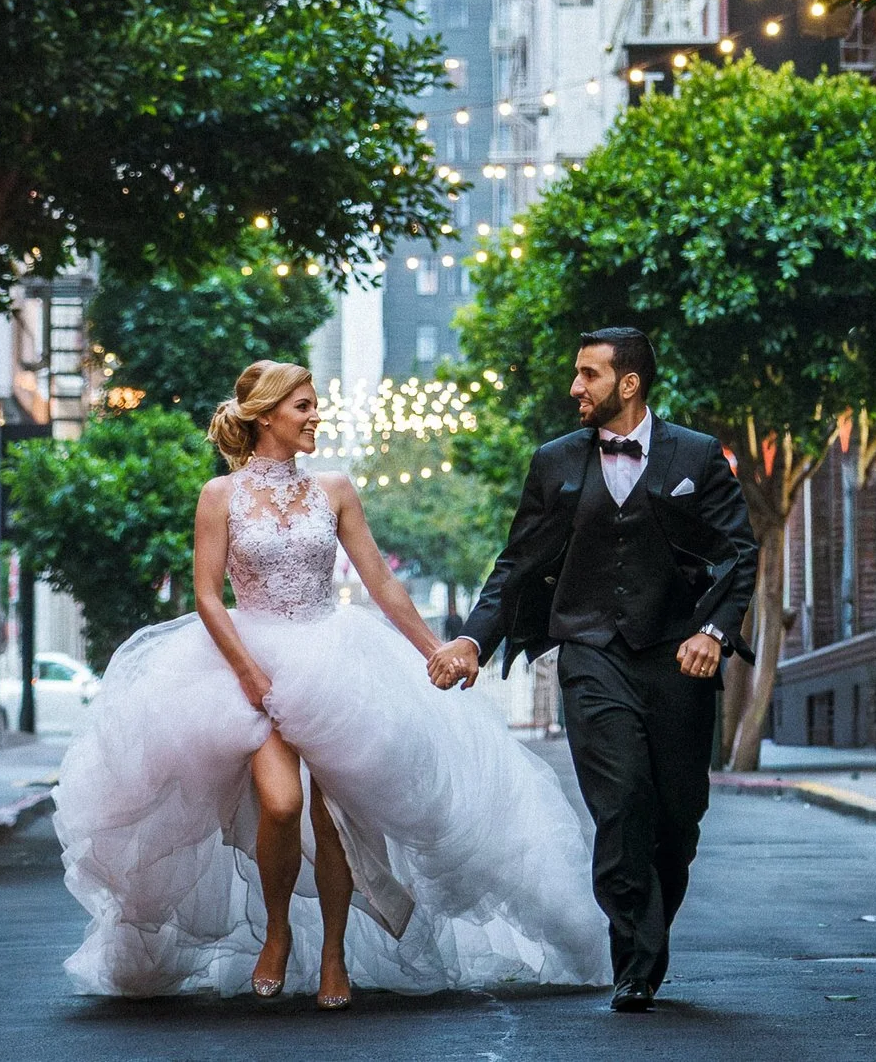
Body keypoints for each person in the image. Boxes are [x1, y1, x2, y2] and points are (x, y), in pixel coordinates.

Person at [52, 359, 608, 1005]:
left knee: (337, 813)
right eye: (304, 406)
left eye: (316, 405)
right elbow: (207, 595)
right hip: (245, 656)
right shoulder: (220, 495)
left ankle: (336, 954)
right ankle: (279, 931)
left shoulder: (335, 487)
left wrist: (438, 649)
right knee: (282, 802)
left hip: (333, 655)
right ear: (266, 415)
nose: (317, 415)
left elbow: (381, 581)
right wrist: (249, 672)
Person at [427, 327, 758, 1012]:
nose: (575, 387)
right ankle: (634, 960)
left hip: (677, 658)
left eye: (588, 374)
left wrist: (713, 630)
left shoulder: (696, 455)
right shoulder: (555, 463)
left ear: (627, 383)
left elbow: (739, 553)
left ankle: (649, 936)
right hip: (591, 653)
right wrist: (471, 642)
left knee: (677, 815)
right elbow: (515, 566)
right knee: (622, 798)